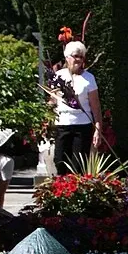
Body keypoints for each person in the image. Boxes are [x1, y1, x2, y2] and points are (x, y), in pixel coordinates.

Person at [49, 41, 103, 173]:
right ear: (67, 57)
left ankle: (76, 190)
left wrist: (98, 130)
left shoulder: (89, 78)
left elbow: (95, 107)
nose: (79, 60)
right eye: (76, 56)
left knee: (78, 164)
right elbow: (52, 101)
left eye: (81, 57)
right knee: (59, 160)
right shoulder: (58, 76)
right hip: (62, 124)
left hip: (82, 126)